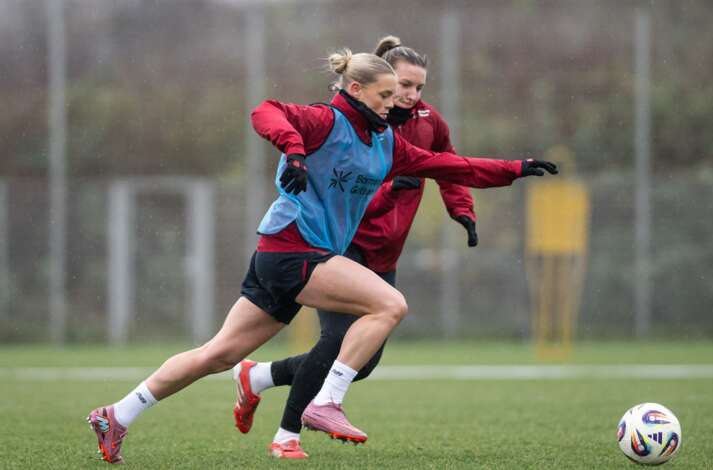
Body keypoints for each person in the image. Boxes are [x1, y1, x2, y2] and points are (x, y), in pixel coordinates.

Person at [87, 46, 557, 464]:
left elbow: (452, 165)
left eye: (399, 95)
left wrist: (514, 168)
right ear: (355, 88)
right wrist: (293, 151)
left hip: (283, 256)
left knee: (218, 355)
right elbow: (265, 111)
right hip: (294, 250)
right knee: (389, 305)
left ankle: (117, 414)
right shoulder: (324, 121)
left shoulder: (386, 144)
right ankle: (325, 403)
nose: (395, 104)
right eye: (386, 95)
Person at [230, 36, 479, 453]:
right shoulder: (351, 121)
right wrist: (294, 152)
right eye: (402, 85)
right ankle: (287, 436)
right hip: (344, 245)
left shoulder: (428, 122)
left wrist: (462, 209)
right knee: (335, 343)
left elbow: (449, 166)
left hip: (387, 251)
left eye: (419, 88)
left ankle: (258, 377)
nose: (410, 95)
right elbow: (345, 187)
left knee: (363, 362)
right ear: (378, 80)